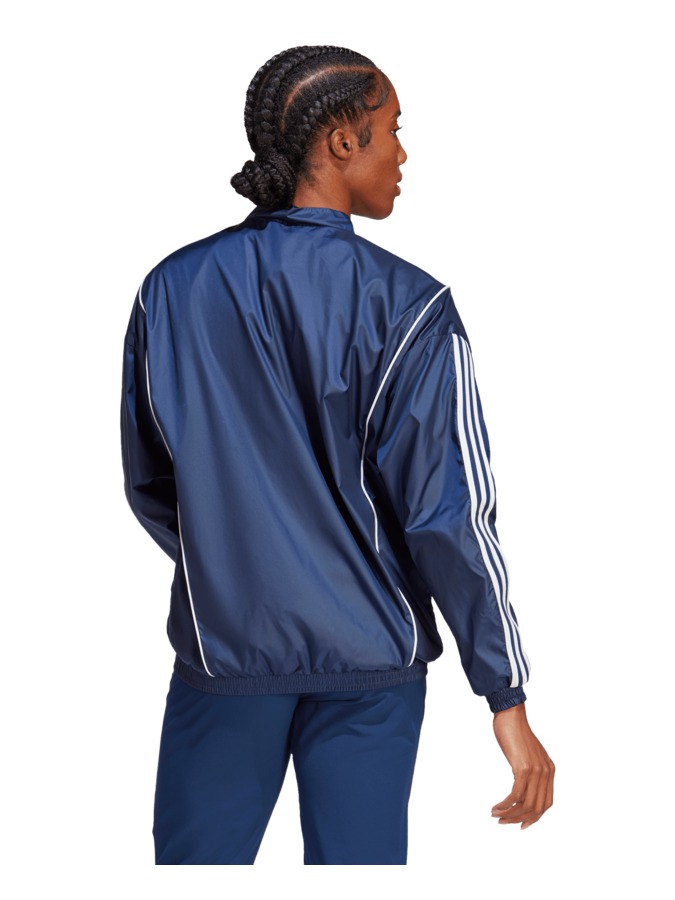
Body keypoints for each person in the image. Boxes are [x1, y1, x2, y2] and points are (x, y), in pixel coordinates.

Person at [121, 45, 554, 866]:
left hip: (224, 654)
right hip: (370, 668)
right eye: (392, 129)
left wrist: (238, 573)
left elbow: (150, 478)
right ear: (341, 142)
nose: (403, 154)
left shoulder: (170, 289)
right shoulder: (410, 306)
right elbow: (449, 517)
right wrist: (505, 692)